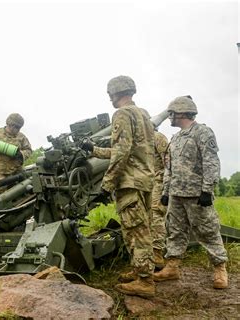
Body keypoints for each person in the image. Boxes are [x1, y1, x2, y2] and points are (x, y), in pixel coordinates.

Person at [81, 75, 156, 297]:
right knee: (140, 229)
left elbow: (122, 153)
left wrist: (107, 183)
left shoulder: (121, 114)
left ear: (115, 93)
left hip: (129, 182)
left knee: (136, 231)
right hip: (144, 180)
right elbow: (130, 149)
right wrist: (94, 150)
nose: (109, 99)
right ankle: (139, 270)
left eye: (110, 94)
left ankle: (145, 281)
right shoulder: (143, 114)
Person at [154, 96, 228, 289]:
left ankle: (220, 269)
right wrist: (166, 191)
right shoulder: (176, 138)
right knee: (175, 232)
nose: (169, 117)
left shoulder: (202, 132)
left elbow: (211, 162)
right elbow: (169, 167)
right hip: (176, 195)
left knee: (208, 231)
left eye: (171, 114)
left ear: (181, 112)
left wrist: (207, 190)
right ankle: (172, 267)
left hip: (196, 195)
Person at [0, 113, 32, 184]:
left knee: (25, 192)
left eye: (19, 127)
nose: (18, 129)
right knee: (0, 192)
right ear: (10, 124)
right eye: (16, 127)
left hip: (17, 172)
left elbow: (28, 150)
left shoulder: (22, 137)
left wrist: (21, 154)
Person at [151, 129, 169, 268]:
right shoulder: (140, 140)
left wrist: (166, 189)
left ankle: (157, 253)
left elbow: (168, 163)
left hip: (159, 181)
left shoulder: (158, 137)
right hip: (147, 183)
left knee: (156, 214)